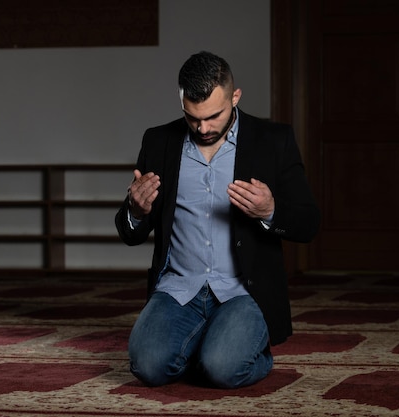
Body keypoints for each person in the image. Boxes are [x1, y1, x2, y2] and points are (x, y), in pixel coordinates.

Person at [115, 51, 320, 389]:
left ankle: (239, 352)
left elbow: (309, 222)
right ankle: (206, 346)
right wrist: (136, 211)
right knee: (148, 368)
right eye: (193, 118)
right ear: (181, 102)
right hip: (179, 288)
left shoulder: (273, 140)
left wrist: (270, 211)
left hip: (243, 291)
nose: (203, 128)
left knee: (224, 370)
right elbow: (130, 232)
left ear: (234, 97)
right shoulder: (159, 141)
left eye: (213, 116)